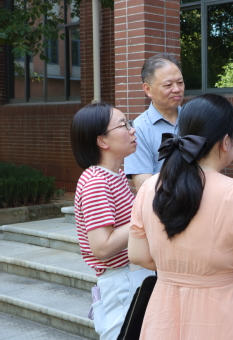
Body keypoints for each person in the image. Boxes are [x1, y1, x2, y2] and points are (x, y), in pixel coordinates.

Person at [127, 94, 233, 339]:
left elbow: (138, 255)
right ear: (225, 142)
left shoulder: (149, 187)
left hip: (164, 313)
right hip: (223, 314)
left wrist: (176, 269)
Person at [70, 101, 153, 340]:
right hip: (122, 282)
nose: (133, 130)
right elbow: (102, 247)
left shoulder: (114, 175)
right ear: (102, 141)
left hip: (131, 277)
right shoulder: (96, 182)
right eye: (124, 125)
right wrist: (146, 213)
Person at [124, 53, 185, 191]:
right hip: (162, 202)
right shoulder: (137, 130)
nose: (177, 89)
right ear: (147, 89)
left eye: (180, 82)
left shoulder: (195, 118)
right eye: (168, 85)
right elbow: (144, 186)